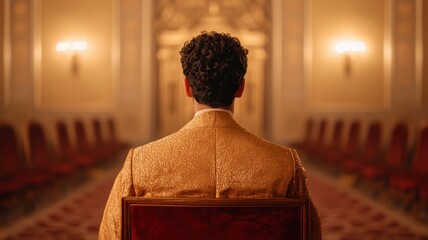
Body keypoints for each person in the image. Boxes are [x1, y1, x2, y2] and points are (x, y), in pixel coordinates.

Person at [99, 31, 322, 239]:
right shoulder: (285, 164)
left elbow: (111, 234)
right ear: (241, 88)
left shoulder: (140, 163)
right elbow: (310, 234)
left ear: (187, 88)